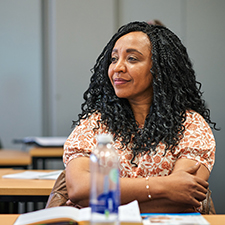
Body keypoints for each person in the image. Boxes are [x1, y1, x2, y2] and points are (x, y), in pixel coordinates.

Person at [63, 21, 217, 213]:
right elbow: (79, 189)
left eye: (132, 59)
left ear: (160, 69)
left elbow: (184, 200)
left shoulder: (191, 125)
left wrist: (102, 199)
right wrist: (163, 187)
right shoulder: (95, 124)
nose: (117, 67)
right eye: (113, 59)